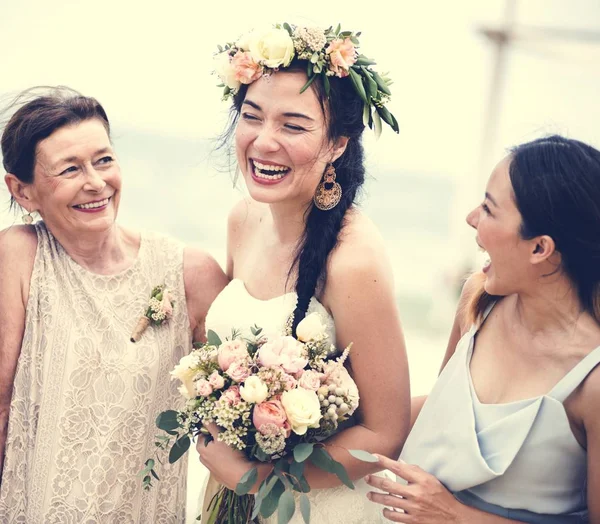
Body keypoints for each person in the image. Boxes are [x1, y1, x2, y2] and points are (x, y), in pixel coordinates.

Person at [191, 23, 411, 523]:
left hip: (319, 506)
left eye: (293, 126)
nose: (264, 141)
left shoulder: (353, 260)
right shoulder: (243, 219)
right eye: (251, 116)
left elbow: (385, 433)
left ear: (337, 143)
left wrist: (258, 478)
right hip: (232, 496)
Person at [0, 87, 228, 523]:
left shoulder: (188, 273)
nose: (95, 182)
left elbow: (235, 418)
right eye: (69, 169)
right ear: (23, 191)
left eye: (103, 160)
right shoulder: (18, 257)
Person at [365, 135, 600, 523]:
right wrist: (330, 422)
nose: (471, 217)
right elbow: (444, 410)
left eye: (489, 210)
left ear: (540, 248)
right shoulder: (479, 299)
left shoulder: (592, 381)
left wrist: (453, 515)